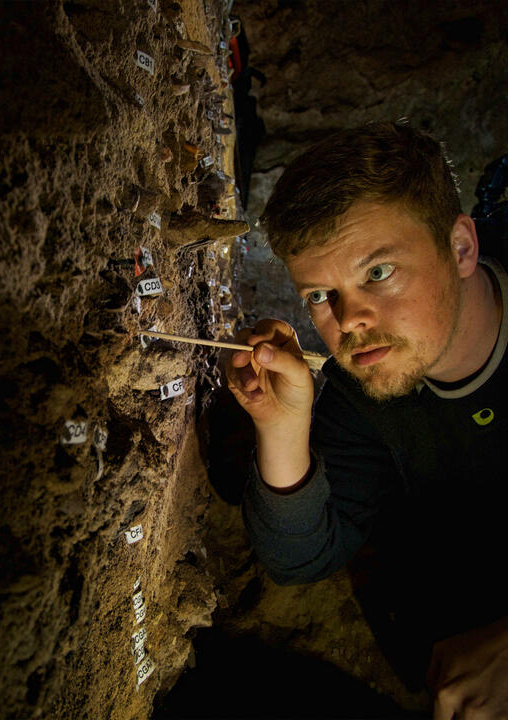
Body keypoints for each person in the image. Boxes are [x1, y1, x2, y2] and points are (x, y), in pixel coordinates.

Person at [224, 121, 508, 720]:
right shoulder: (365, 398)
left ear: (460, 247)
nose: (349, 319)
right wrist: (281, 427)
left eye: (377, 272)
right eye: (319, 296)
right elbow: (301, 557)